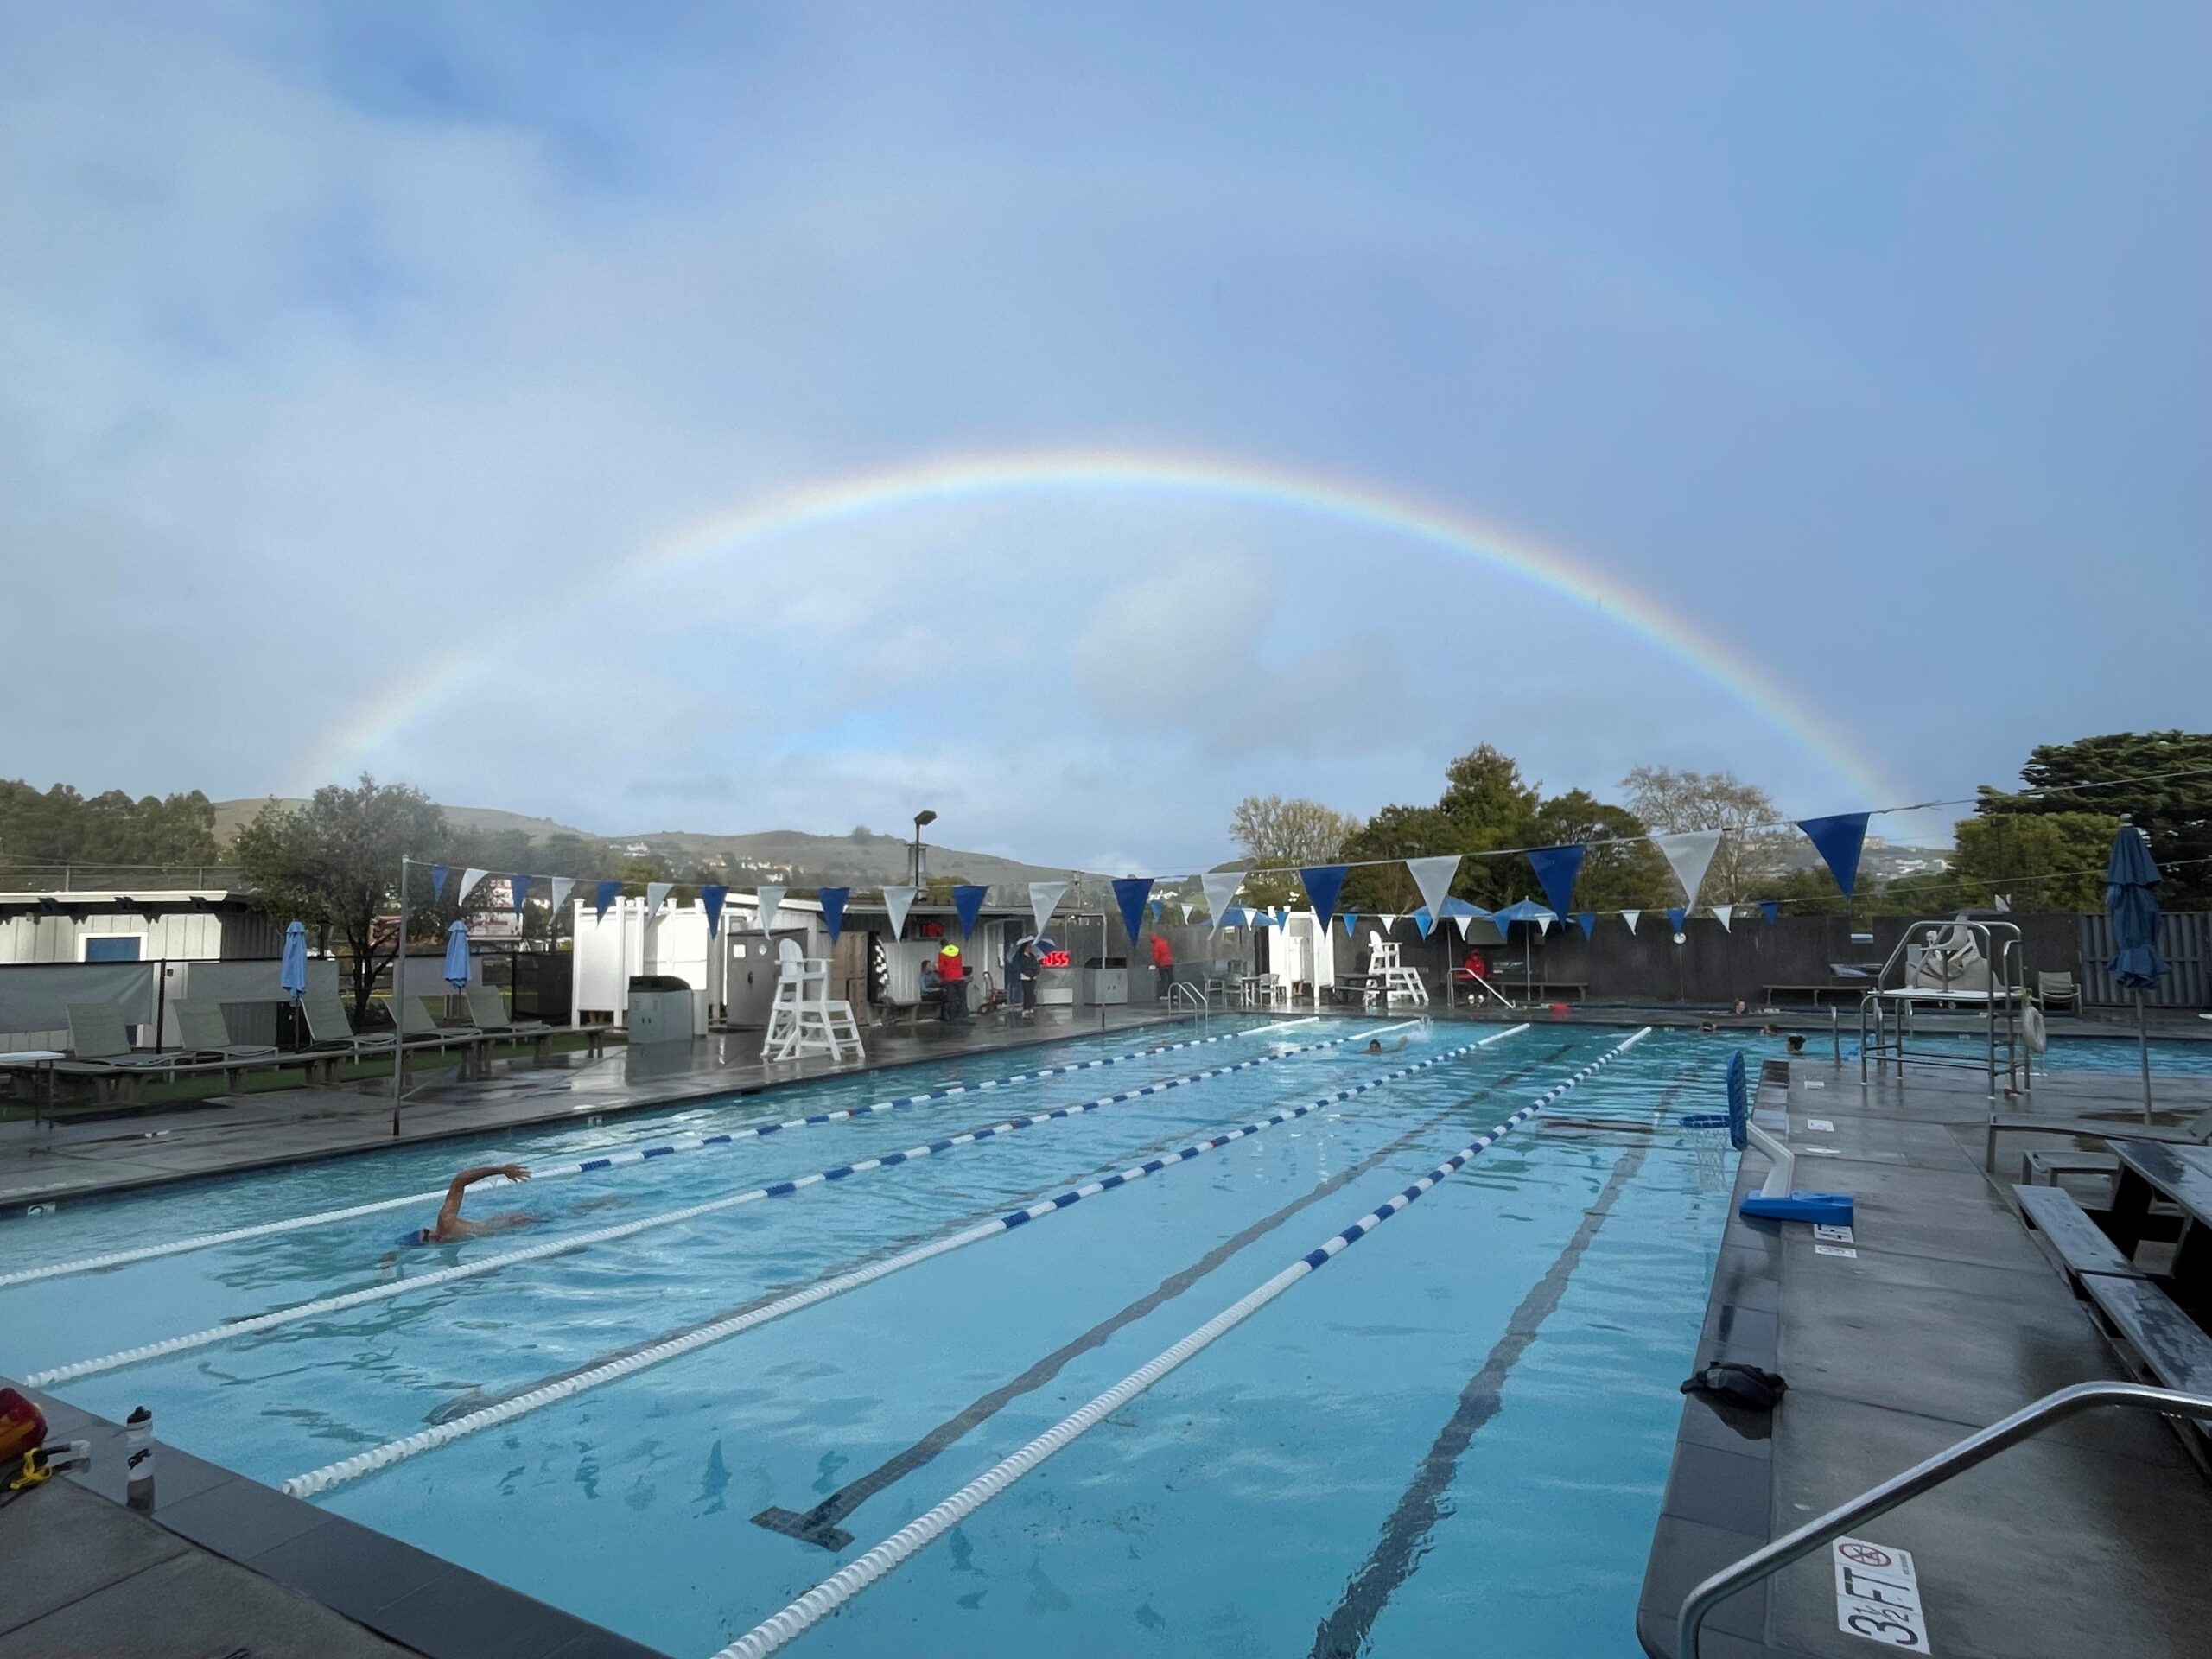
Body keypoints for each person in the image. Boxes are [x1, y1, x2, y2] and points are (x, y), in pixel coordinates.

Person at [405, 1165, 532, 1244]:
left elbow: (460, 1180)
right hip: (502, 1227)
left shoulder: (445, 1224)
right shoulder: (443, 1238)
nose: (431, 1234)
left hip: (515, 1224)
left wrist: (501, 1170)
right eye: (427, 1237)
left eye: (427, 1232)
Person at [936, 941, 967, 1022]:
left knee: (952, 1000)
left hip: (949, 979)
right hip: (959, 978)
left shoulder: (942, 953)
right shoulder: (957, 950)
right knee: (962, 999)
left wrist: (941, 977)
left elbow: (941, 968)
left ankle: (952, 1018)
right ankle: (964, 1016)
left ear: (942, 945)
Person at [1149, 931, 1175, 1001]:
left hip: (1162, 965)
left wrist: (1157, 964)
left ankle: (1166, 994)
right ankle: (1174, 994)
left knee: (1164, 980)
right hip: (1169, 963)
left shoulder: (1156, 946)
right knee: (1171, 979)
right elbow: (1168, 952)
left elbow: (1156, 957)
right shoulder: (1164, 942)